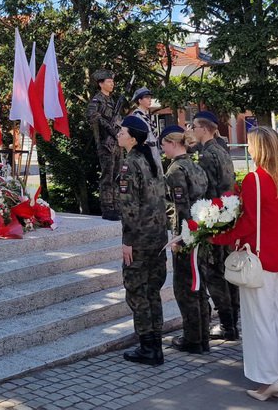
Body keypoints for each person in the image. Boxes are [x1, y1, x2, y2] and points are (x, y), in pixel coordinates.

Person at [213, 127, 278, 402]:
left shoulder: (254, 180)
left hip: (259, 259)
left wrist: (218, 237)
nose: (248, 148)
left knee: (260, 322)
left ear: (258, 148)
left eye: (250, 144)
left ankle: (269, 380)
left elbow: (248, 223)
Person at [116, 115, 169, 366]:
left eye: (122, 132)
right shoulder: (152, 161)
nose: (118, 134)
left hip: (140, 239)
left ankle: (148, 348)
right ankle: (155, 345)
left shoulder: (130, 164)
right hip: (157, 237)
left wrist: (128, 241)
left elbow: (129, 208)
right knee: (152, 292)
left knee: (137, 292)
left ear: (133, 139)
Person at [161, 125, 210, 353]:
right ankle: (202, 336)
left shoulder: (175, 170)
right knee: (199, 286)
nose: (163, 149)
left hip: (187, 235)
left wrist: (177, 239)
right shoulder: (195, 165)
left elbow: (180, 208)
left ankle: (192, 339)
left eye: (164, 145)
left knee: (185, 288)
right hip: (201, 232)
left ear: (173, 143)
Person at [193, 110, 240, 341]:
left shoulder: (207, 155)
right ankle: (233, 320)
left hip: (214, 220)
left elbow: (205, 190)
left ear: (203, 129)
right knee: (227, 270)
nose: (192, 131)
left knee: (214, 273)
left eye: (194, 127)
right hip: (228, 217)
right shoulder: (222, 150)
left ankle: (226, 324)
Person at [86, 69, 122, 221]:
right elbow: (92, 116)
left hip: (117, 143)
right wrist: (109, 127)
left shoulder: (113, 101)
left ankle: (117, 206)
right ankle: (107, 208)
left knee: (118, 176)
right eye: (109, 81)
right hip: (105, 143)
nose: (112, 84)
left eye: (113, 81)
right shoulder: (97, 101)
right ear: (101, 84)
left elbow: (118, 119)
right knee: (107, 176)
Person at [129, 88, 162, 174]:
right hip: (146, 150)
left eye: (150, 97)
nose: (150, 99)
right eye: (146, 97)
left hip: (154, 148)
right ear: (140, 100)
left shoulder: (147, 115)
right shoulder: (136, 116)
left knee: (159, 174)